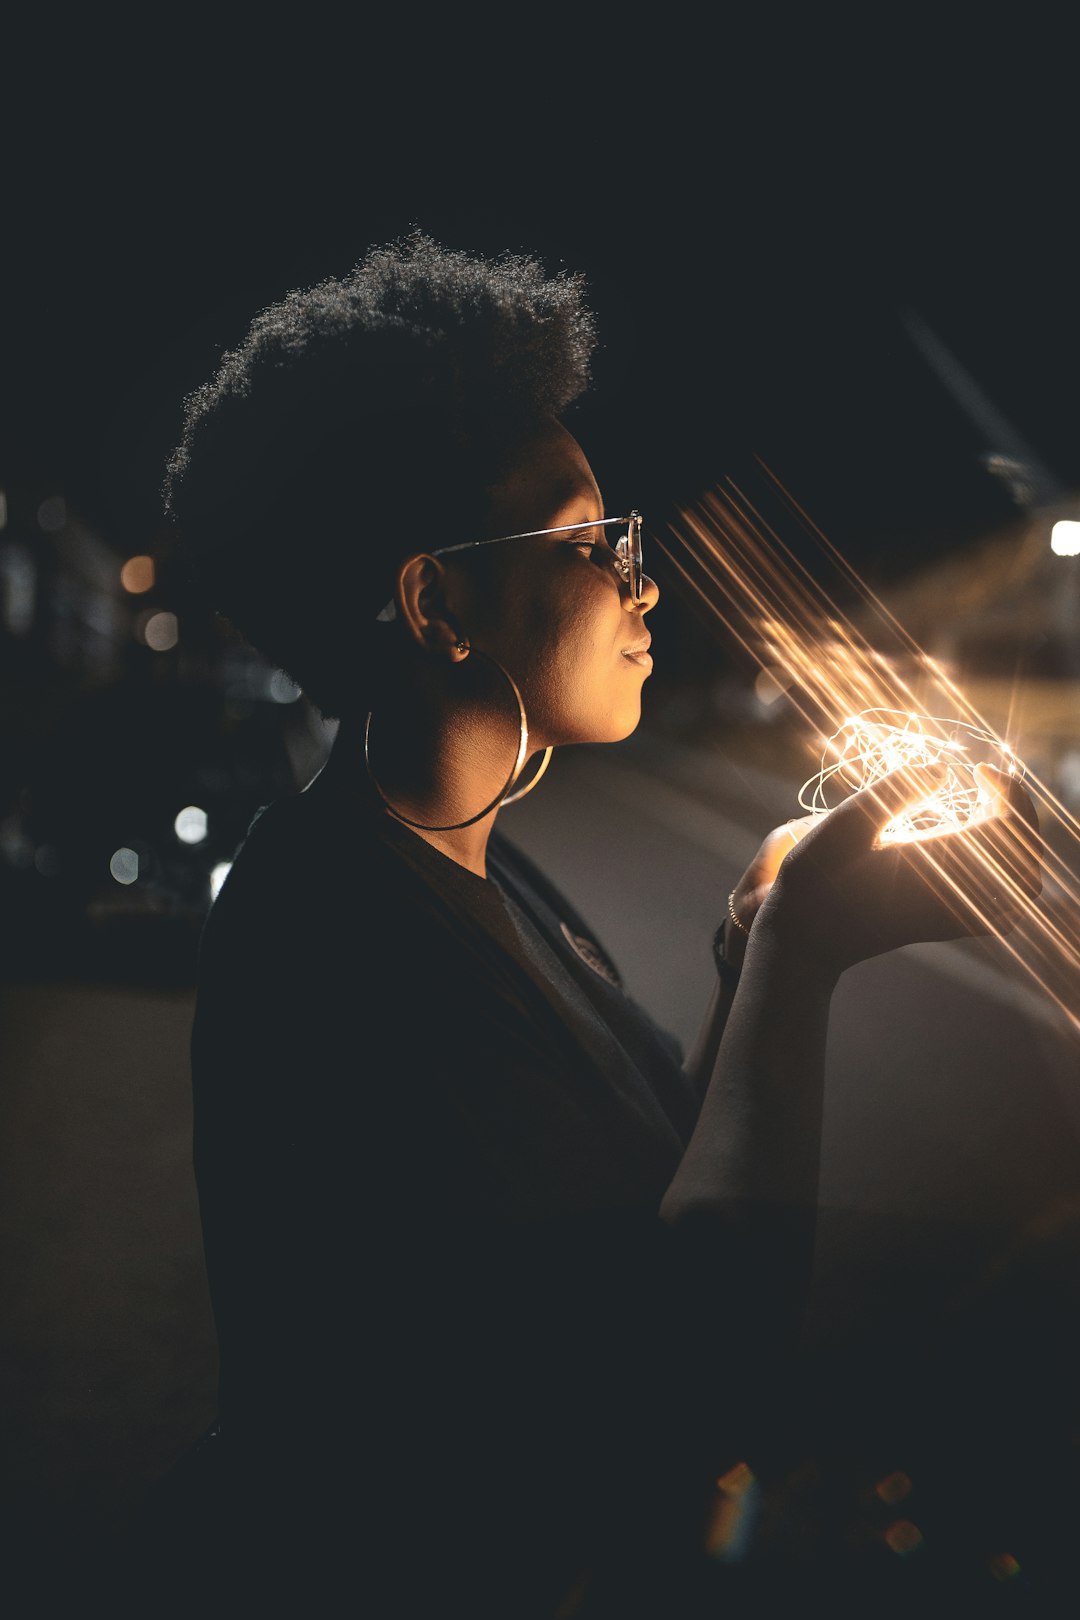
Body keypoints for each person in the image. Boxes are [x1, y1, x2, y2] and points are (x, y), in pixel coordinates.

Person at [149, 232, 1040, 1616]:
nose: (643, 582)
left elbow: (639, 1193)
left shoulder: (468, 862)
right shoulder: (337, 952)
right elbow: (677, 1376)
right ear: (436, 601)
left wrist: (751, 960)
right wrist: (802, 956)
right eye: (586, 541)